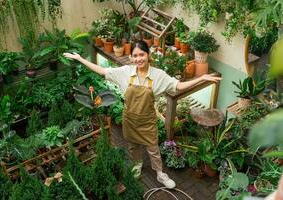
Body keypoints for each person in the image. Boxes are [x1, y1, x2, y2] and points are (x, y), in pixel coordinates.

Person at [63, 40, 222, 189]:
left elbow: (178, 86)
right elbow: (103, 71)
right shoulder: (125, 72)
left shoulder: (158, 75)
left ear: (148, 55)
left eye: (142, 55)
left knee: (153, 149)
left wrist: (201, 78)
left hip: (147, 121)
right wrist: (80, 59)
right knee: (133, 146)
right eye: (135, 55)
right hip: (130, 119)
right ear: (131, 57)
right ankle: (137, 165)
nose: (139, 59)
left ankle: (160, 173)